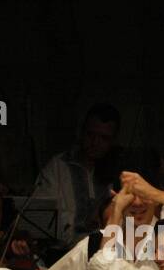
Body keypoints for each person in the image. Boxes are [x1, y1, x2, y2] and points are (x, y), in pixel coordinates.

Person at [32, 103, 121, 244]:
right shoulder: (58, 166)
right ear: (82, 132)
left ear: (113, 141)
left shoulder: (117, 173)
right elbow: (41, 217)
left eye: (104, 138)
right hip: (61, 253)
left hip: (102, 251)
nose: (95, 142)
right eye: (91, 134)